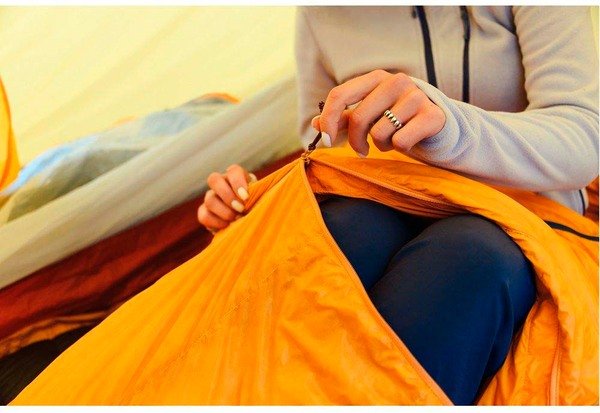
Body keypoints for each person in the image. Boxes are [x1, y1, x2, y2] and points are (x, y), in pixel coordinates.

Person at [197, 6, 598, 405]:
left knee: (468, 257)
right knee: (334, 237)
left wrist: (449, 126)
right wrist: (261, 200)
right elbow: (323, 148)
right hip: (388, 200)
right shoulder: (318, 14)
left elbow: (584, 133)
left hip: (526, 216)